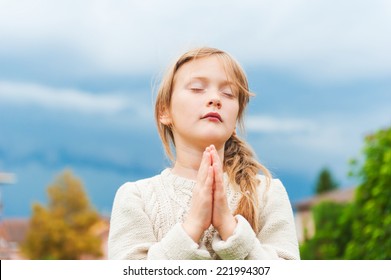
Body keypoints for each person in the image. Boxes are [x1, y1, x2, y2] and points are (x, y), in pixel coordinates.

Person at [108, 47, 300, 260]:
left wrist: (229, 227)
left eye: (228, 93)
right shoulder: (135, 198)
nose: (215, 99)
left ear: (235, 120)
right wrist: (192, 226)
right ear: (164, 111)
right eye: (197, 88)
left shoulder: (267, 194)